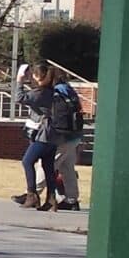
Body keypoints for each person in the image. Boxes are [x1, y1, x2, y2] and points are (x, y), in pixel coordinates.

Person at [13, 62, 55, 209]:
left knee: (27, 161)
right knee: (48, 167)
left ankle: (32, 195)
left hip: (43, 135)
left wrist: (19, 80)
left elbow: (19, 98)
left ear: (37, 76)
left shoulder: (40, 93)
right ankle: (51, 199)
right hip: (53, 135)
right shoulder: (52, 91)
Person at [44, 68, 86, 211]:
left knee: (47, 164)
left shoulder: (55, 92)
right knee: (67, 167)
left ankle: (32, 193)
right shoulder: (68, 89)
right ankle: (72, 200)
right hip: (74, 134)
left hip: (62, 135)